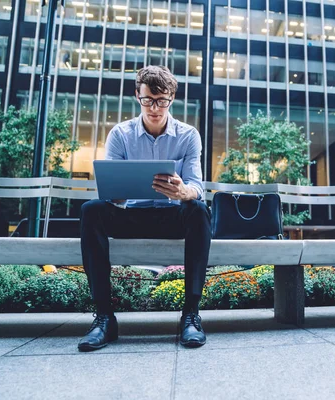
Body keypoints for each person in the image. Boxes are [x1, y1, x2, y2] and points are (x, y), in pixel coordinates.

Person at [78, 65, 211, 351]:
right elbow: (111, 192)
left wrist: (184, 191)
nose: (155, 107)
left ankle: (191, 315)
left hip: (171, 217)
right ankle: (104, 318)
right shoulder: (120, 134)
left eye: (162, 100)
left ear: (172, 98)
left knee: (198, 210)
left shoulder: (188, 136)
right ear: (137, 96)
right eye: (148, 99)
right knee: (91, 210)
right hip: (131, 216)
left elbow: (197, 186)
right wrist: (118, 194)